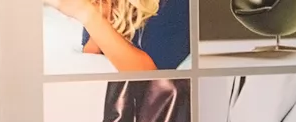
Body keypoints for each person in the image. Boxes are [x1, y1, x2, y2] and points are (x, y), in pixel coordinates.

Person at [43, 0, 190, 71]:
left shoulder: (177, 5)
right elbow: (91, 55)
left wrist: (88, 15)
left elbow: (148, 73)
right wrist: (104, 16)